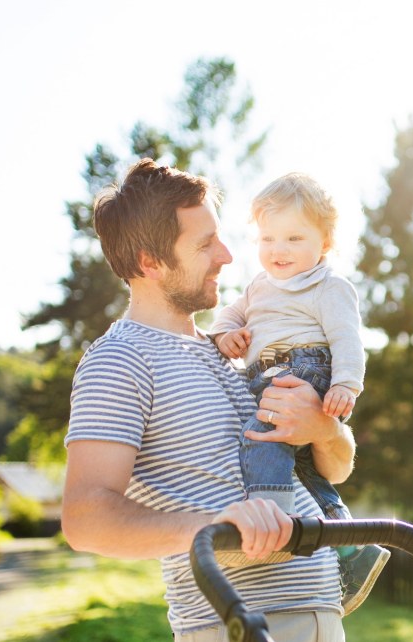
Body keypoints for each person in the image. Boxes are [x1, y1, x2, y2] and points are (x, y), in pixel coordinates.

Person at [61, 159, 353, 642]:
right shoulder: (119, 360)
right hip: (234, 625)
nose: (227, 256)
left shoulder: (236, 350)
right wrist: (214, 525)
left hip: (322, 615)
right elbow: (85, 520)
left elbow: (337, 469)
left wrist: (325, 430)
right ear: (150, 263)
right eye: (204, 244)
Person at [208, 172, 389, 616]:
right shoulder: (258, 286)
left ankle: (273, 520)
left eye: (294, 238)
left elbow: (347, 340)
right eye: (268, 238)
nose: (279, 249)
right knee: (304, 467)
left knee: (261, 436)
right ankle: (353, 547)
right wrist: (226, 335)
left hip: (303, 372)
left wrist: (346, 384)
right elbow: (229, 316)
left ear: (324, 242)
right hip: (265, 376)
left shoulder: (329, 286)